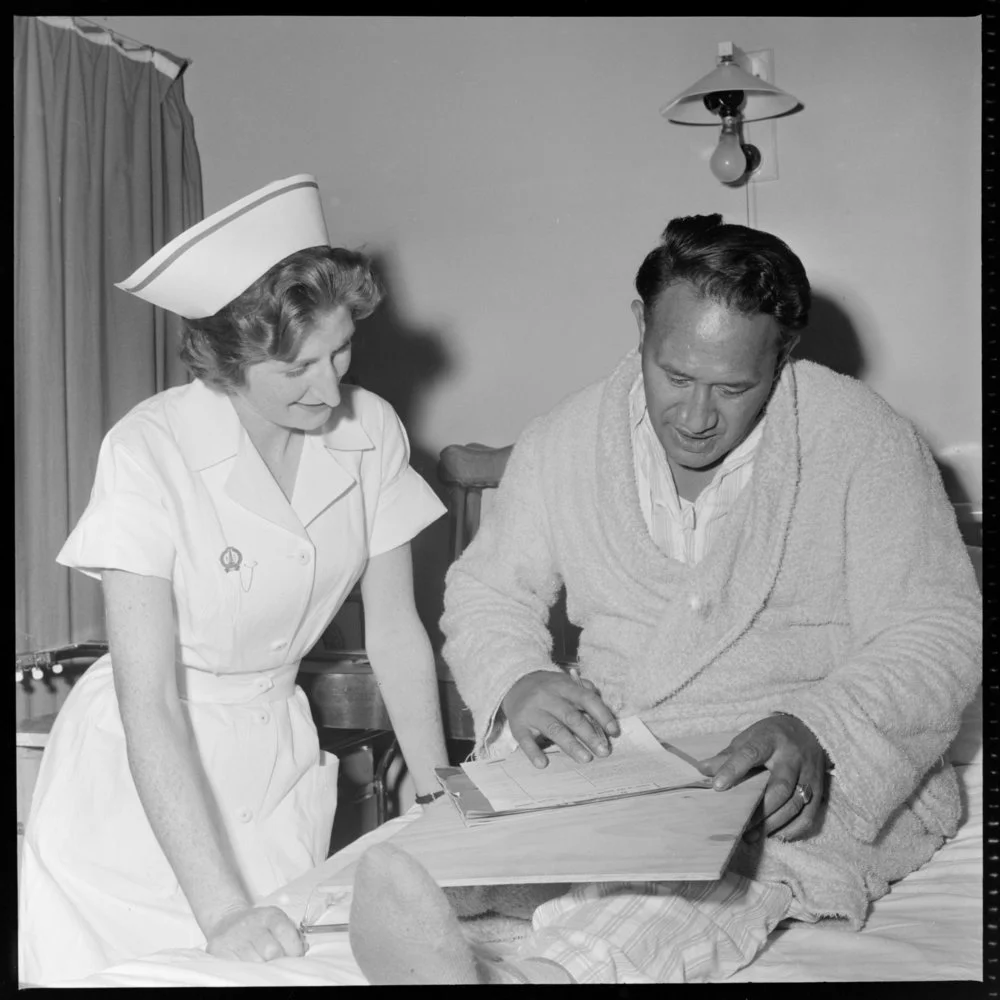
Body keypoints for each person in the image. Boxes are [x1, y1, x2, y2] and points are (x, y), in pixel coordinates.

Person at [347, 213, 982, 984]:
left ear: (784, 355)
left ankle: (535, 977)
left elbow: (939, 628)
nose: (695, 415)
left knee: (704, 883)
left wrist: (821, 726)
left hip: (782, 772)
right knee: (442, 865)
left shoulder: (862, 438)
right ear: (641, 324)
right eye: (675, 376)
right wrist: (517, 675)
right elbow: (486, 593)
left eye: (733, 387)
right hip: (619, 757)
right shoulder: (564, 440)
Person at [19, 174, 450, 986]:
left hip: (272, 757)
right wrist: (220, 911)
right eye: (297, 368)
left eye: (341, 349)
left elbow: (395, 631)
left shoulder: (372, 429)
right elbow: (151, 701)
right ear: (228, 359)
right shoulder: (148, 451)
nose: (330, 389)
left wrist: (438, 806)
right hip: (140, 786)